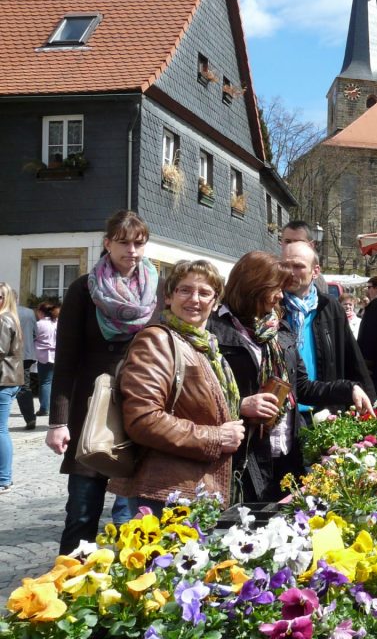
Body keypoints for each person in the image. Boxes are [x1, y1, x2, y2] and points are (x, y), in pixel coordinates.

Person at [208, 251, 373, 503]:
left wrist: (349, 389)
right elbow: (202, 400)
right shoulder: (216, 333)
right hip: (244, 457)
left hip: (287, 451)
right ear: (253, 287)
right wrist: (241, 405)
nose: (280, 296)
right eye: (275, 289)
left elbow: (303, 388)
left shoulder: (278, 328)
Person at [47, 210, 158, 553]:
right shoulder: (84, 289)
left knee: (137, 517)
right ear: (107, 243)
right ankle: (68, 591)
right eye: (123, 242)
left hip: (141, 405)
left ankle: (134, 595)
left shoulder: (159, 287)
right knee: (82, 512)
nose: (132, 250)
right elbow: (66, 361)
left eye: (138, 242)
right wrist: (57, 422)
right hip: (91, 410)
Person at [109, 260, 244, 513]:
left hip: (196, 488)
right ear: (169, 297)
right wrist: (217, 436)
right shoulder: (156, 341)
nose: (195, 299)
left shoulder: (206, 346)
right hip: (165, 492)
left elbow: (197, 402)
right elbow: (143, 420)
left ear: (215, 303)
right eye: (185, 290)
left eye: (204, 293)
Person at [281, 240, 374, 406]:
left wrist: (369, 399)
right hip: (284, 413)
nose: (290, 272)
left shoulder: (329, 307)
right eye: (285, 265)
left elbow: (351, 358)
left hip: (323, 409)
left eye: (298, 266)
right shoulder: (272, 307)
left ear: (315, 271)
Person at [1, 282, 25, 493]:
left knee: (0, 430)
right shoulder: (11, 317)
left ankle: (4, 478)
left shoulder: (2, 319)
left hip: (3, 380)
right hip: (9, 379)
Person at [280, 220, 328, 293]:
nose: (292, 245)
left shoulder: (319, 282)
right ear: (281, 242)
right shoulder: (270, 274)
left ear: (311, 245)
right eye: (288, 241)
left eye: (298, 242)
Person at [34, 301, 59, 418]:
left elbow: (33, 338)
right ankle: (54, 406)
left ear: (41, 312)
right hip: (57, 355)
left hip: (43, 356)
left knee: (45, 382)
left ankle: (44, 408)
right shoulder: (58, 323)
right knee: (55, 382)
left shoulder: (39, 324)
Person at [15, 297, 37, 428]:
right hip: (26, 354)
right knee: (25, 387)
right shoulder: (29, 312)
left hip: (7, 356)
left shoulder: (4, 312)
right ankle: (30, 418)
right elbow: (35, 333)